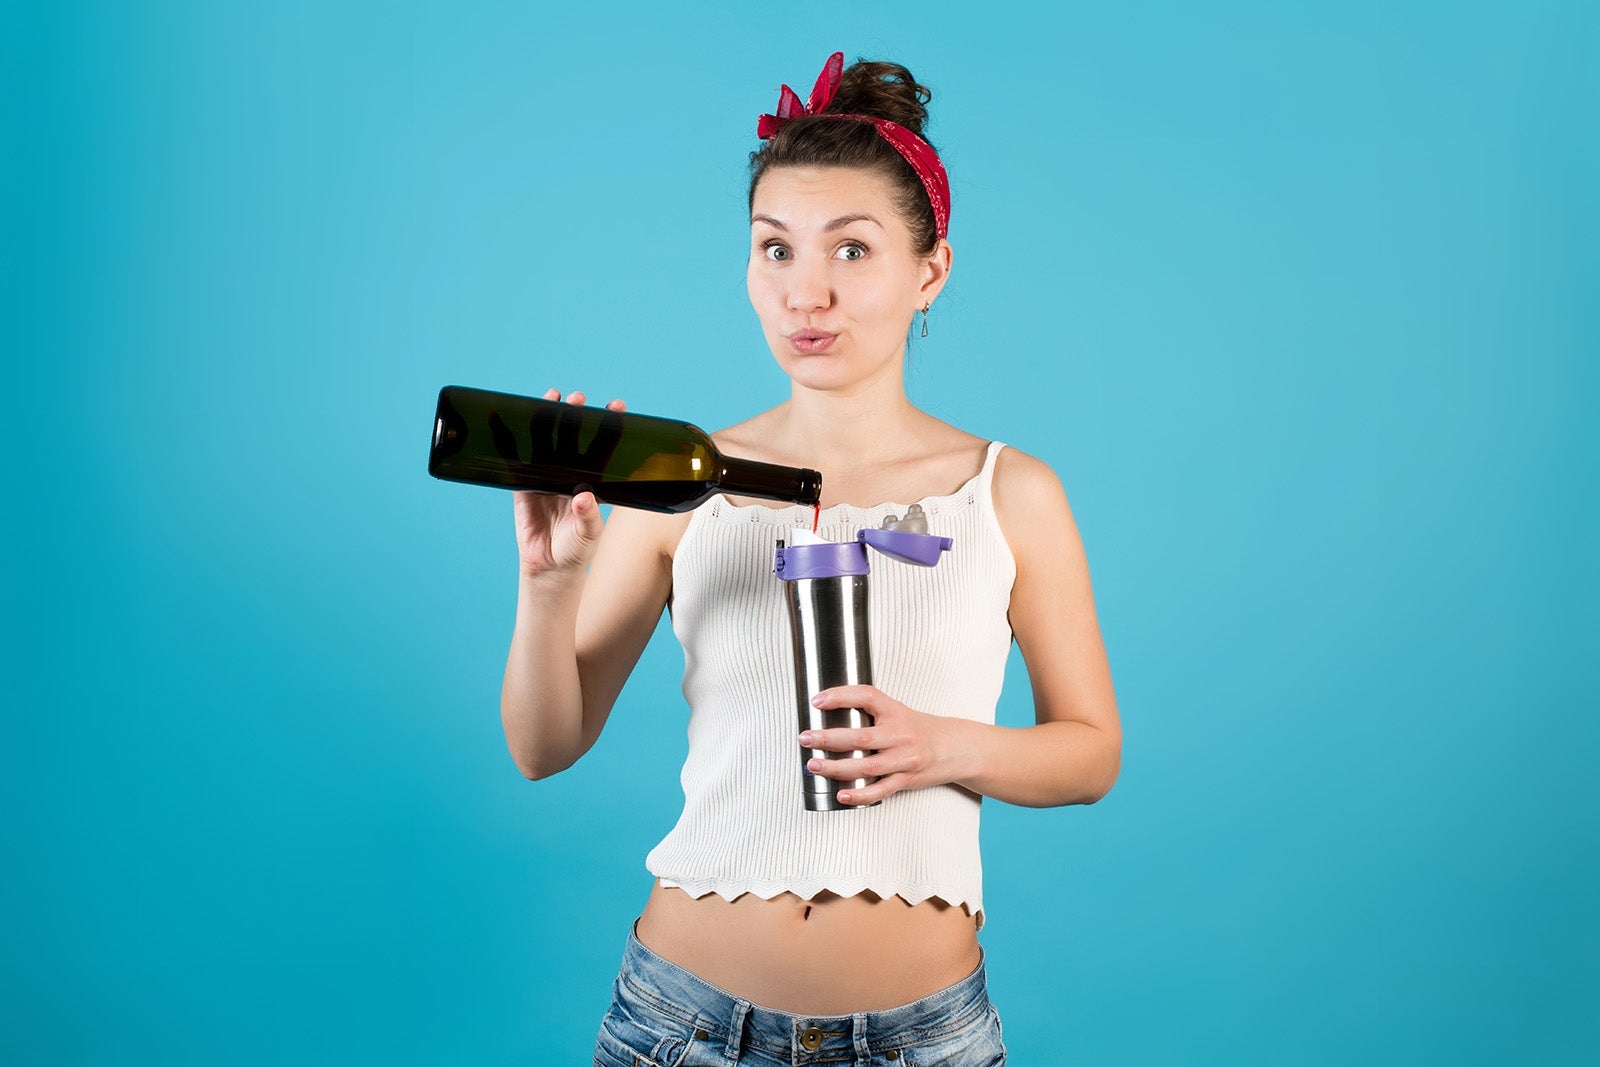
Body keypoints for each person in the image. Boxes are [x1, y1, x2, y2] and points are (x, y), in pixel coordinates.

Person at [501, 51, 1121, 1067]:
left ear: (931, 271)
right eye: (775, 249)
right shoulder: (677, 476)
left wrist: (945, 747)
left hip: (924, 1038)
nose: (806, 293)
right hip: (679, 1025)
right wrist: (549, 584)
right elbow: (542, 743)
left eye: (850, 250)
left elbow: (1090, 747)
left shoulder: (1011, 490)